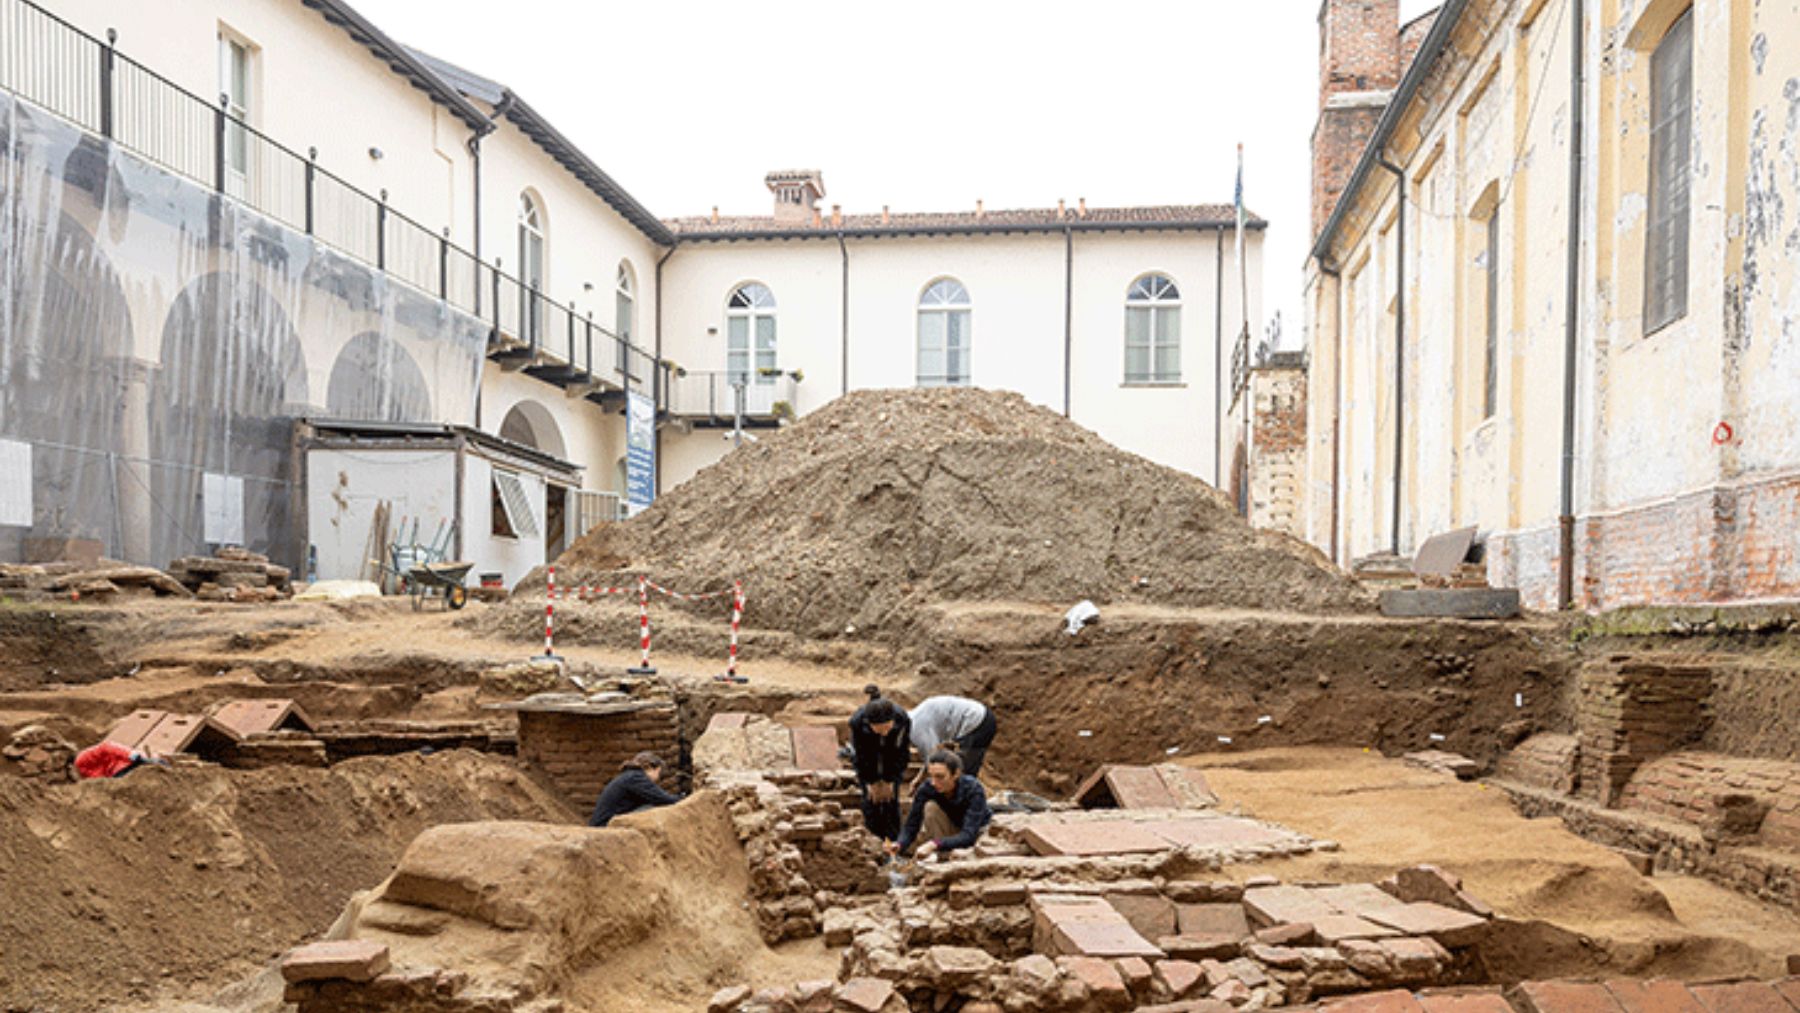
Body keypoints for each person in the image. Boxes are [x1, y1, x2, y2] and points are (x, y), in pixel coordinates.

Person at [886, 749, 991, 861]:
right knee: (931, 807)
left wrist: (934, 844)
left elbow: (969, 834)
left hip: (977, 832)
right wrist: (900, 844)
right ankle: (944, 857)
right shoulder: (927, 788)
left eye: (940, 777)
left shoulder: (973, 789)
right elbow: (911, 825)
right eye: (932, 776)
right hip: (952, 829)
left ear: (956, 774)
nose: (934, 783)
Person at [848, 685, 912, 842]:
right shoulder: (857, 723)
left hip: (892, 759)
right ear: (869, 724)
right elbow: (862, 756)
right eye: (879, 729)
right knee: (871, 801)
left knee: (891, 801)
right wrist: (871, 782)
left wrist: (891, 780)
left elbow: (901, 752)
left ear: (893, 721)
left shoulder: (902, 720)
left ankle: (894, 846)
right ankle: (874, 844)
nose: (884, 732)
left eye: (887, 727)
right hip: (868, 761)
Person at [908, 694, 997, 780]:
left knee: (958, 773)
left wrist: (919, 780)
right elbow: (932, 757)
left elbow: (934, 761)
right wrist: (918, 779)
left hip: (976, 722)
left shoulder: (916, 730)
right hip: (983, 719)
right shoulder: (914, 718)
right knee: (966, 774)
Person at [587, 751, 683, 828]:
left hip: (601, 824)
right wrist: (686, 800)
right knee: (651, 808)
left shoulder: (629, 776)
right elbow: (663, 799)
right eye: (659, 774)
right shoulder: (636, 778)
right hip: (604, 827)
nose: (658, 780)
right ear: (650, 767)